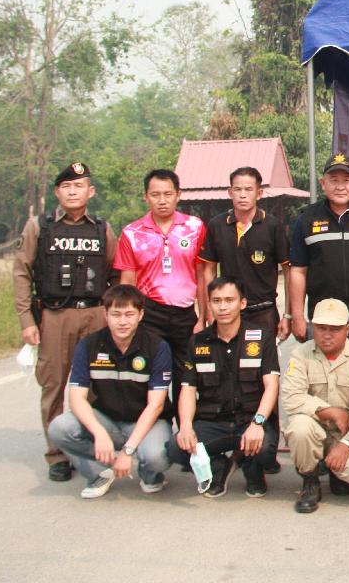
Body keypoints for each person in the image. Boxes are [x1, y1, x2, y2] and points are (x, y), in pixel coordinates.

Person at [13, 161, 117, 482]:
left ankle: (94, 445)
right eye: (67, 187)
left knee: (99, 385)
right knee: (54, 385)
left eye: (79, 186)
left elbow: (116, 273)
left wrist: (113, 316)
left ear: (90, 191)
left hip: (95, 315)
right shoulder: (39, 227)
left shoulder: (102, 229)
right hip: (55, 316)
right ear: (57, 192)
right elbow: (21, 272)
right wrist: (27, 320)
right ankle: (57, 454)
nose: (73, 192)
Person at [47, 284, 173, 498]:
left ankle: (150, 475)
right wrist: (99, 433)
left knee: (157, 456)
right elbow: (76, 399)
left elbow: (156, 405)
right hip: (107, 420)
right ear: (105, 315)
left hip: (146, 422)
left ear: (141, 315)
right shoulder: (89, 345)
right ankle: (100, 472)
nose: (122, 321)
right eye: (116, 314)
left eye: (129, 314)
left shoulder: (157, 347)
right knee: (59, 427)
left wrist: (128, 450)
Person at [166, 277, 280, 498]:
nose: (223, 307)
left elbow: (271, 386)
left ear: (242, 303)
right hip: (213, 423)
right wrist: (186, 426)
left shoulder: (262, 338)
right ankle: (219, 466)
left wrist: (257, 423)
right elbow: (188, 389)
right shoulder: (197, 342)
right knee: (174, 448)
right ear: (209, 304)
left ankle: (253, 470)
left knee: (265, 449)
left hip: (249, 421)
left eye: (229, 300)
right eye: (217, 301)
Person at [115, 169, 206, 404]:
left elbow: (202, 275)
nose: (162, 200)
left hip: (185, 314)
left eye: (168, 194)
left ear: (178, 195)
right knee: (151, 373)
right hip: (149, 313)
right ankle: (157, 422)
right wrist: (128, 318)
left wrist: (203, 317)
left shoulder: (194, 227)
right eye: (155, 195)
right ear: (146, 196)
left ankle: (184, 423)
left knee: (186, 376)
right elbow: (127, 281)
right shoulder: (132, 233)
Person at [288, 153, 349, 351]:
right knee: (323, 371)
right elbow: (298, 271)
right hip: (323, 317)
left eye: (346, 180)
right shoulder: (306, 219)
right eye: (334, 180)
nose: (340, 187)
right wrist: (297, 317)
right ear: (323, 183)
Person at [282, 298, 349, 513]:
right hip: (315, 429)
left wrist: (346, 444)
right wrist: (329, 411)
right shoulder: (300, 355)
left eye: (335, 329)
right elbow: (291, 396)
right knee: (299, 427)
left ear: (347, 329)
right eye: (321, 328)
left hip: (345, 434)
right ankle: (310, 480)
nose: (327, 334)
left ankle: (336, 473)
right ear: (313, 327)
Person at [198, 166, 291, 341]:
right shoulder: (217, 225)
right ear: (230, 192)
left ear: (259, 193)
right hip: (228, 312)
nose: (242, 195)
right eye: (237, 189)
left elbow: (288, 271)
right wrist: (210, 311)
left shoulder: (273, 226)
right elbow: (208, 270)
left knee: (263, 358)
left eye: (248, 189)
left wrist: (288, 315)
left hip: (264, 311)